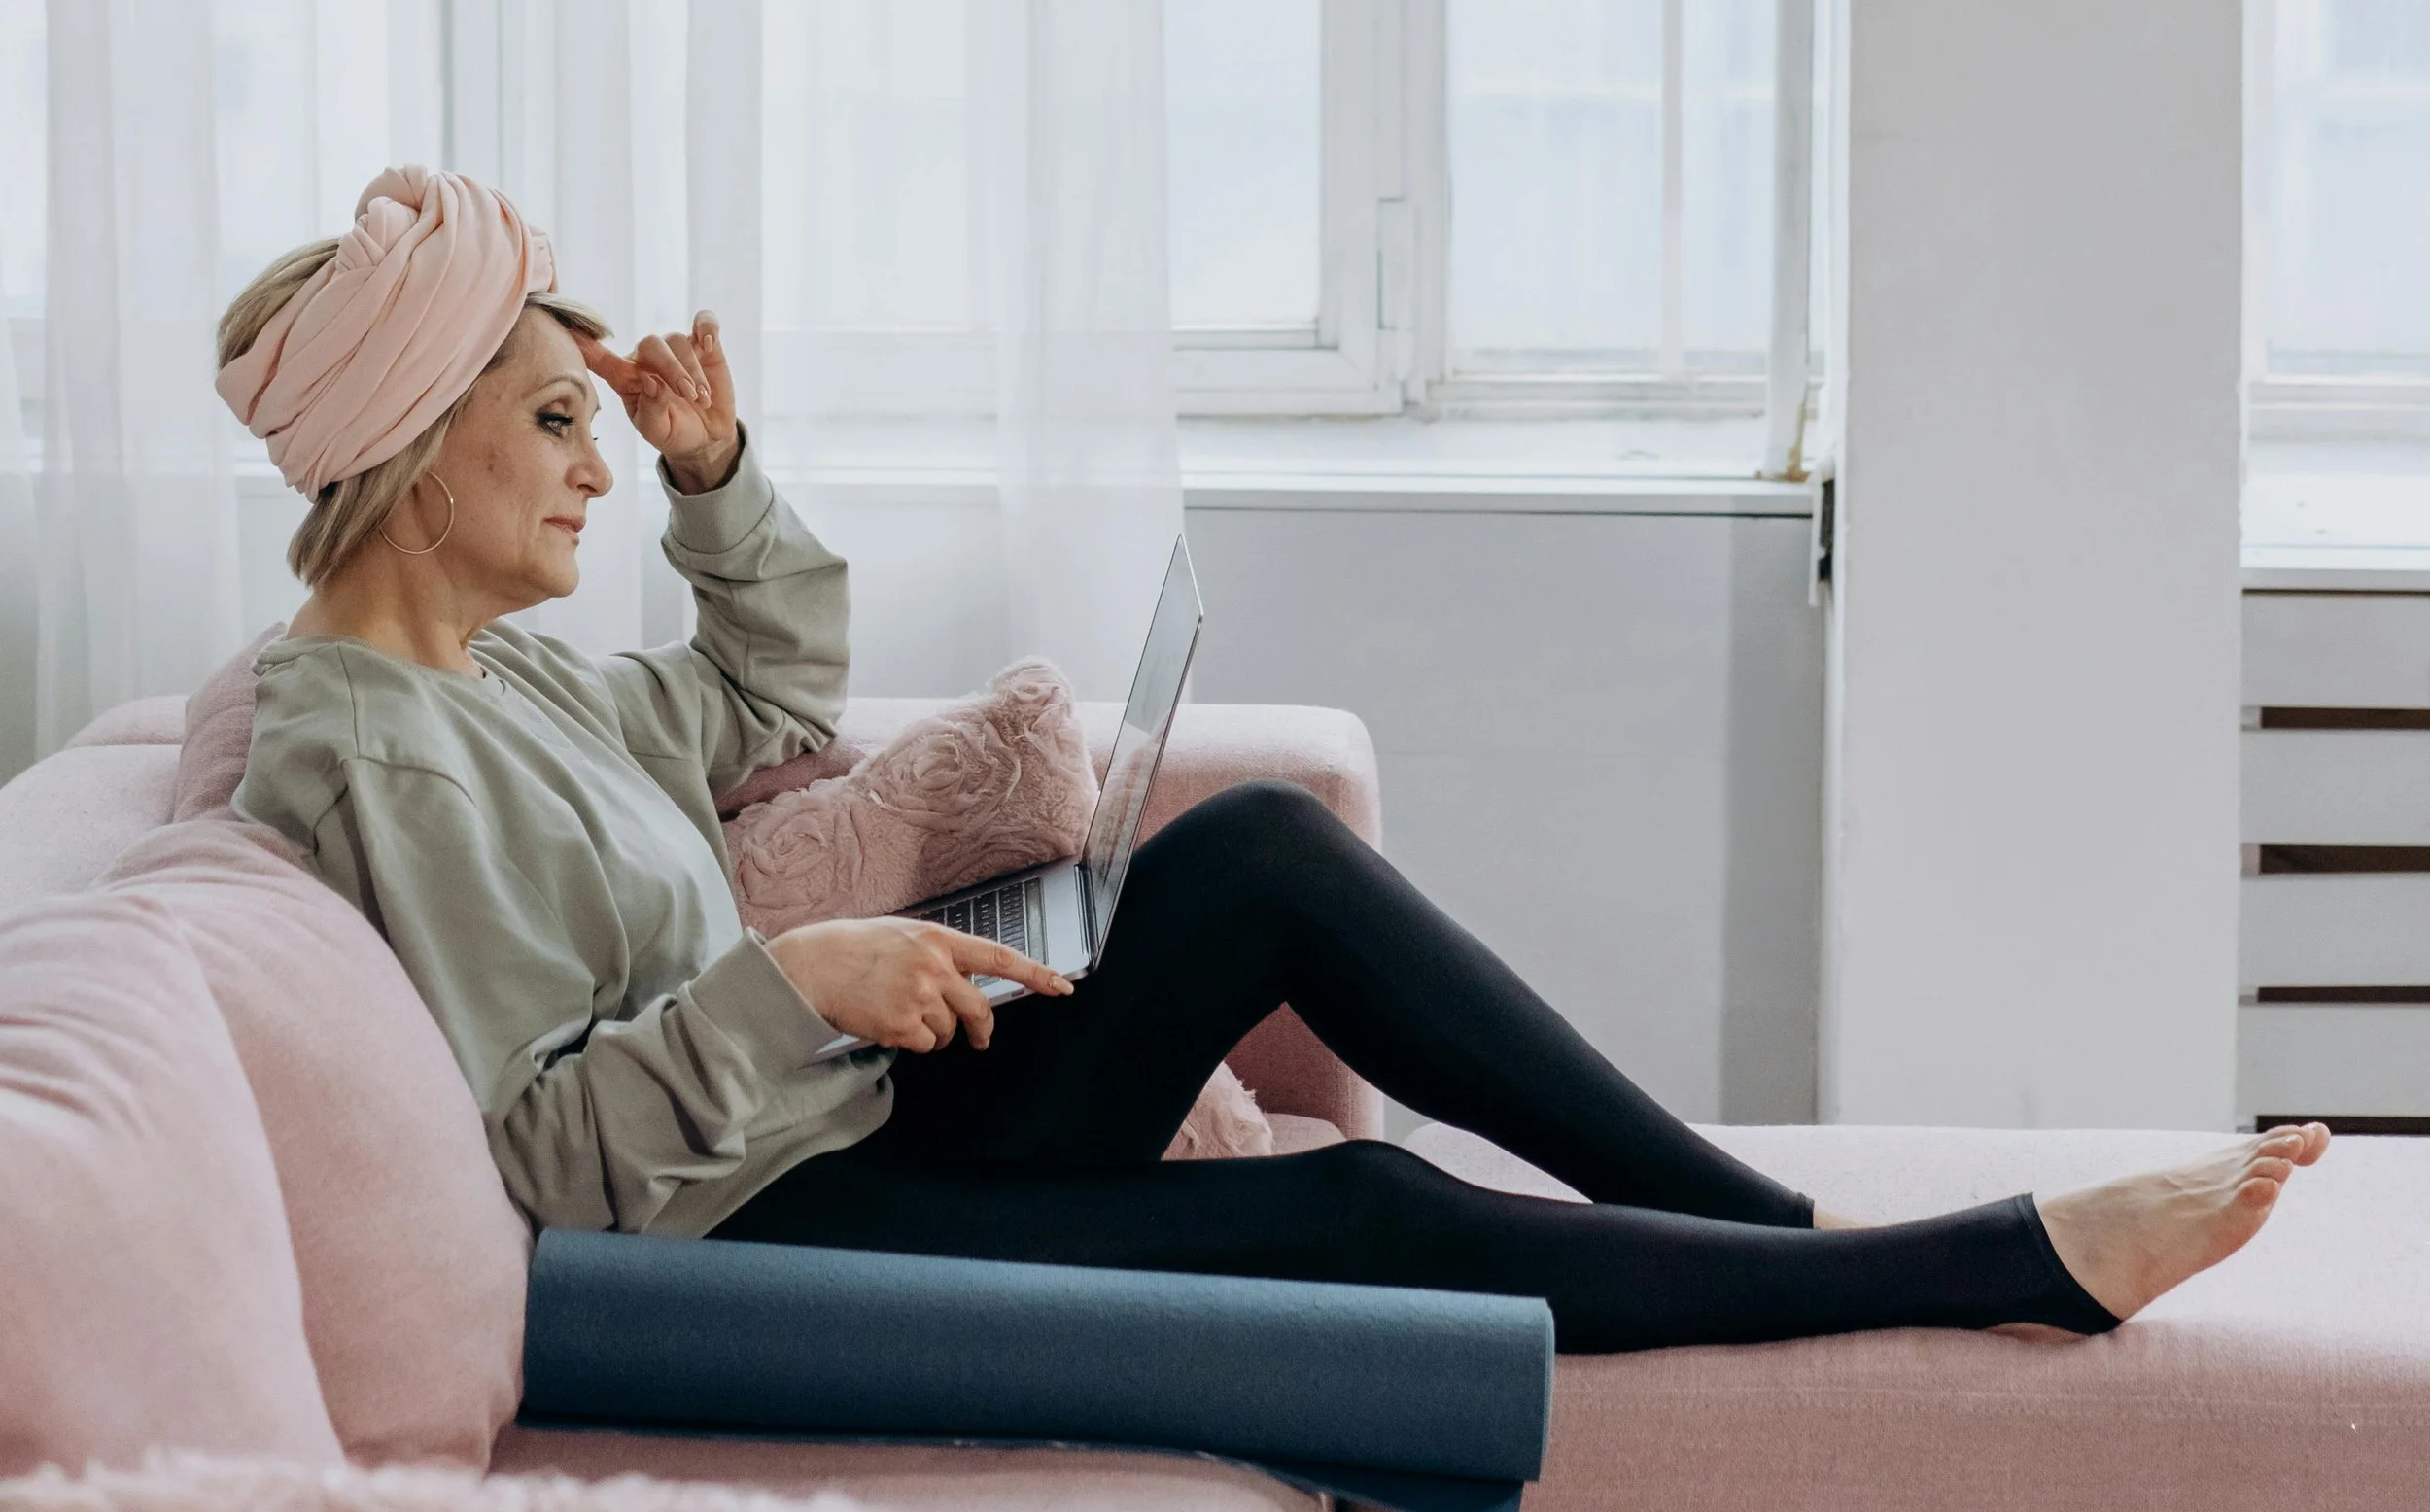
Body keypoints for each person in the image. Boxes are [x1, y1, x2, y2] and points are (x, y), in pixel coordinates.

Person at [224, 167, 2326, 1352]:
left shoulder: (491, 681)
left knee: (1251, 859)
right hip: (768, 1235)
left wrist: (716, 477)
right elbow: (538, 1166)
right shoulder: (385, 763)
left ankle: (1754, 1227)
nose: (594, 459)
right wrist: (793, 986)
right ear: (410, 460)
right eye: (552, 420)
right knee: (1366, 1213)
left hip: (833, 1127)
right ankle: (1985, 1273)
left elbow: (763, 703)